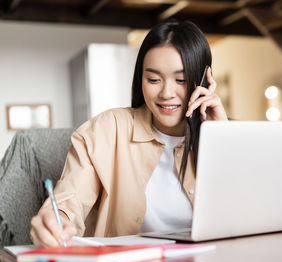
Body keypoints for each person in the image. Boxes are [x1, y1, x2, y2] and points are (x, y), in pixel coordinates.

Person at [30, 20, 228, 247]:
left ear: (204, 80)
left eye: (181, 80)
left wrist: (221, 140)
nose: (166, 93)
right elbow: (69, 200)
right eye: (153, 79)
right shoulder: (106, 129)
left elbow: (249, 215)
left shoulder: (229, 133)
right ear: (139, 79)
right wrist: (56, 221)